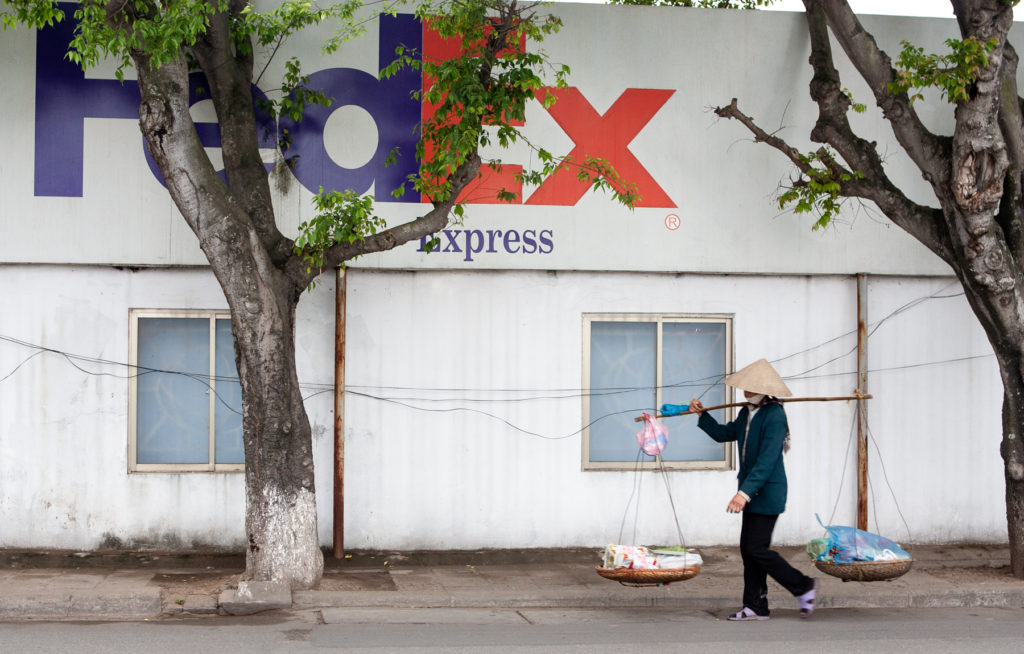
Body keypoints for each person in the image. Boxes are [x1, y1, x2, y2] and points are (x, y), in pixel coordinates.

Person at [689, 358, 817, 621]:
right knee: (749, 550)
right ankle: (756, 606)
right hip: (751, 491)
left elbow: (767, 460)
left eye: (750, 386)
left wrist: (743, 494)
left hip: (767, 492)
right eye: (744, 386)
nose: (745, 390)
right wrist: (702, 415)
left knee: (757, 549)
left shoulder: (775, 415)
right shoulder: (746, 412)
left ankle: (803, 585)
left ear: (762, 388)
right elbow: (724, 434)